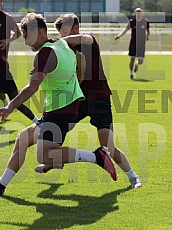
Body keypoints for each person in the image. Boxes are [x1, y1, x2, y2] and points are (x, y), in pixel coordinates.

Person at [0, 13, 117, 196]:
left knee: (45, 155)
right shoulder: (62, 44)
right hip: (60, 110)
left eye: (27, 36)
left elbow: (32, 87)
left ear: (40, 33)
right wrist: (76, 84)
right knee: (22, 139)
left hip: (61, 112)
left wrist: (9, 107)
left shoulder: (44, 55)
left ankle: (97, 156)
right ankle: (0, 186)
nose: (26, 42)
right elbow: (80, 61)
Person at [34, 13, 141, 189]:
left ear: (75, 28)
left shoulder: (89, 39)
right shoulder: (64, 49)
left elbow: (84, 39)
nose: (63, 36)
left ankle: (133, 177)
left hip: (99, 99)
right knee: (54, 137)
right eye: (60, 33)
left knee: (107, 145)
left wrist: (61, 41)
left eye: (66, 31)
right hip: (78, 100)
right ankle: (51, 162)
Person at [115, 7, 150, 80]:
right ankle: (131, 73)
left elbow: (148, 31)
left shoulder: (145, 22)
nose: (138, 13)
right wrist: (119, 36)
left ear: (142, 13)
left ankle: (137, 64)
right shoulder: (132, 21)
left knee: (141, 60)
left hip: (141, 44)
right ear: (135, 13)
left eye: (140, 12)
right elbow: (126, 30)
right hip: (133, 44)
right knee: (132, 59)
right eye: (137, 12)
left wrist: (147, 36)